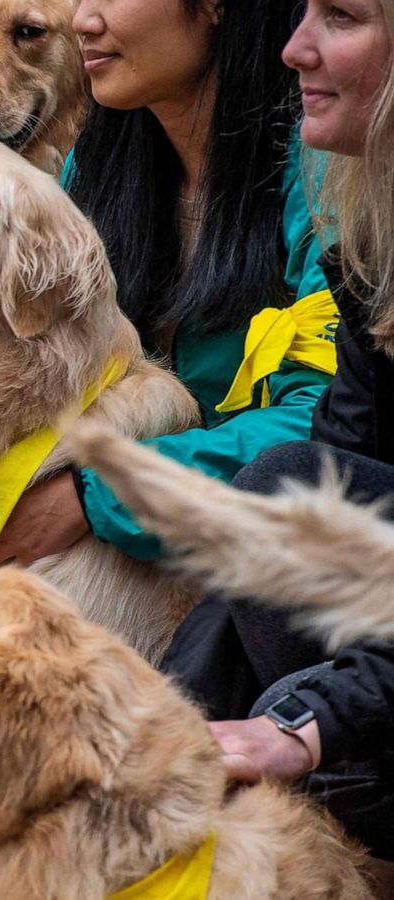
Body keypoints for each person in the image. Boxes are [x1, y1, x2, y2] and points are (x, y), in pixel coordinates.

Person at [149, 0, 394, 859]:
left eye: (344, 17)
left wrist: (304, 722)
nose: (292, 49)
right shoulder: (370, 242)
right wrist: (155, 723)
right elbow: (328, 488)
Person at [0, 0, 333, 572]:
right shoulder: (98, 164)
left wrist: (99, 494)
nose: (82, 20)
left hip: (282, 559)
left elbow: (326, 422)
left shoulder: (327, 171)